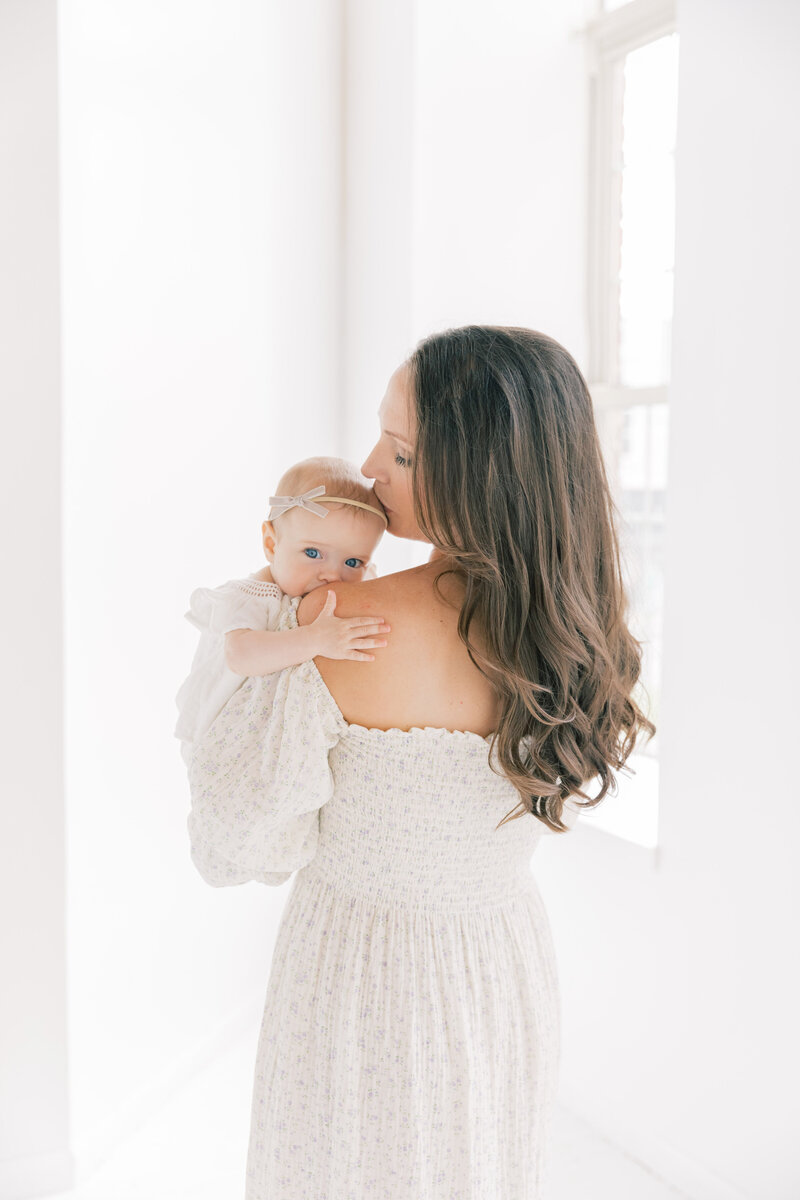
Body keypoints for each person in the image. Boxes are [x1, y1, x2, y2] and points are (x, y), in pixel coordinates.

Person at [186, 325, 656, 1198]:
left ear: (484, 471)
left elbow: (242, 838)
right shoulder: (569, 640)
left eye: (399, 451)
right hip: (497, 962)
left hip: (357, 969)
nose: (367, 466)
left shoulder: (334, 621)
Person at [173, 455, 389, 770]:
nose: (332, 575)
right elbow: (241, 655)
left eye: (353, 562)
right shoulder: (249, 597)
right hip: (222, 740)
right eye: (313, 553)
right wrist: (314, 639)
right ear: (272, 545)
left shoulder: (334, 584)